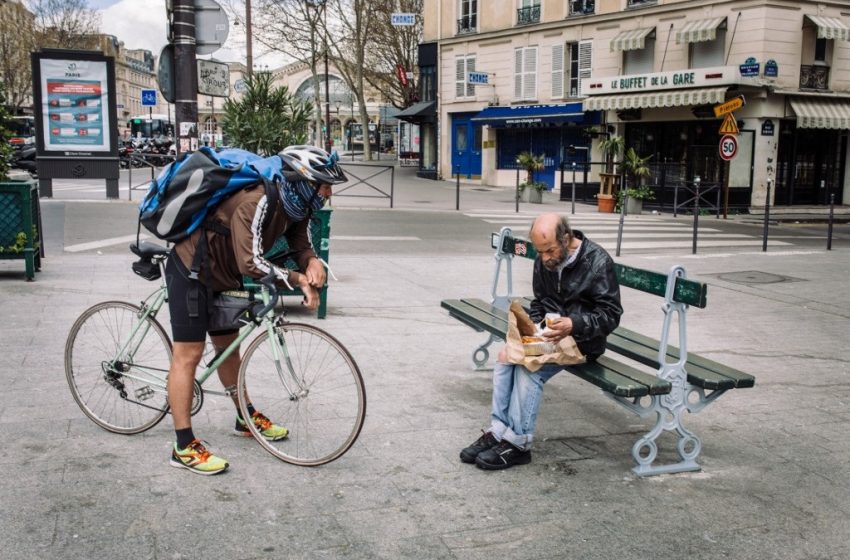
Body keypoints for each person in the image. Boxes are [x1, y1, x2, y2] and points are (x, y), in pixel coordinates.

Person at [165, 145, 347, 475]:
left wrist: (311, 261)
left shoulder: (296, 204)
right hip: (192, 269)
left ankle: (244, 416)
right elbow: (252, 263)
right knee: (188, 354)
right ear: (304, 181)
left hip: (222, 273)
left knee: (227, 350)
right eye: (323, 185)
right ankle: (183, 445)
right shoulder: (258, 199)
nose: (328, 193)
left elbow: (300, 241)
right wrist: (297, 279)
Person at [460, 213, 623, 470]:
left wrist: (574, 324)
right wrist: (534, 327)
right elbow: (539, 302)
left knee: (529, 367)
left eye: (549, 250)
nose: (545, 258)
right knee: (505, 356)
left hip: (583, 341)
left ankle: (518, 444)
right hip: (549, 335)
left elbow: (612, 315)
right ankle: (498, 431)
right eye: (540, 251)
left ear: (566, 238)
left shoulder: (597, 262)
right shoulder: (544, 260)